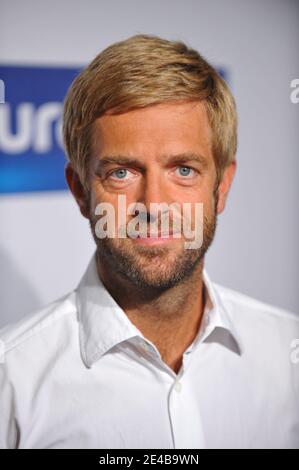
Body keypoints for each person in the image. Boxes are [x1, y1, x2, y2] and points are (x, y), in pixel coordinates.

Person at [0, 34, 298, 449]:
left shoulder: (288, 357)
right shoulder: (10, 379)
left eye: (184, 170)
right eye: (122, 173)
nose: (154, 205)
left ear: (223, 186)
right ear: (81, 191)